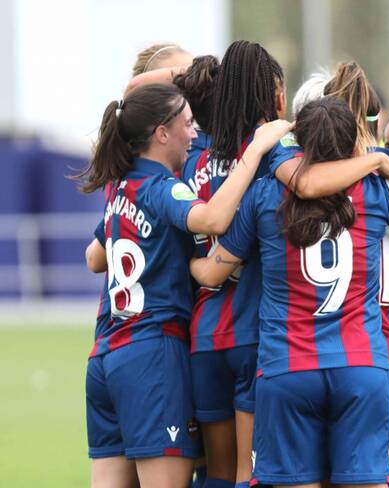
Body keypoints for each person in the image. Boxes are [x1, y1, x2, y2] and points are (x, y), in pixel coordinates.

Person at [189, 96, 389, 488]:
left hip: (287, 367)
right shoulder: (374, 191)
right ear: (353, 145)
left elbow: (213, 273)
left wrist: (191, 264)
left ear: (299, 143)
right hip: (360, 365)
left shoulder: (264, 195)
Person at [80, 83, 291, 488]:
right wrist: (255, 151)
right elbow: (212, 219)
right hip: (151, 352)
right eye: (188, 124)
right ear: (162, 133)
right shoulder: (162, 187)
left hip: (104, 355)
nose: (195, 134)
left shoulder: (122, 186)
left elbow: (93, 258)